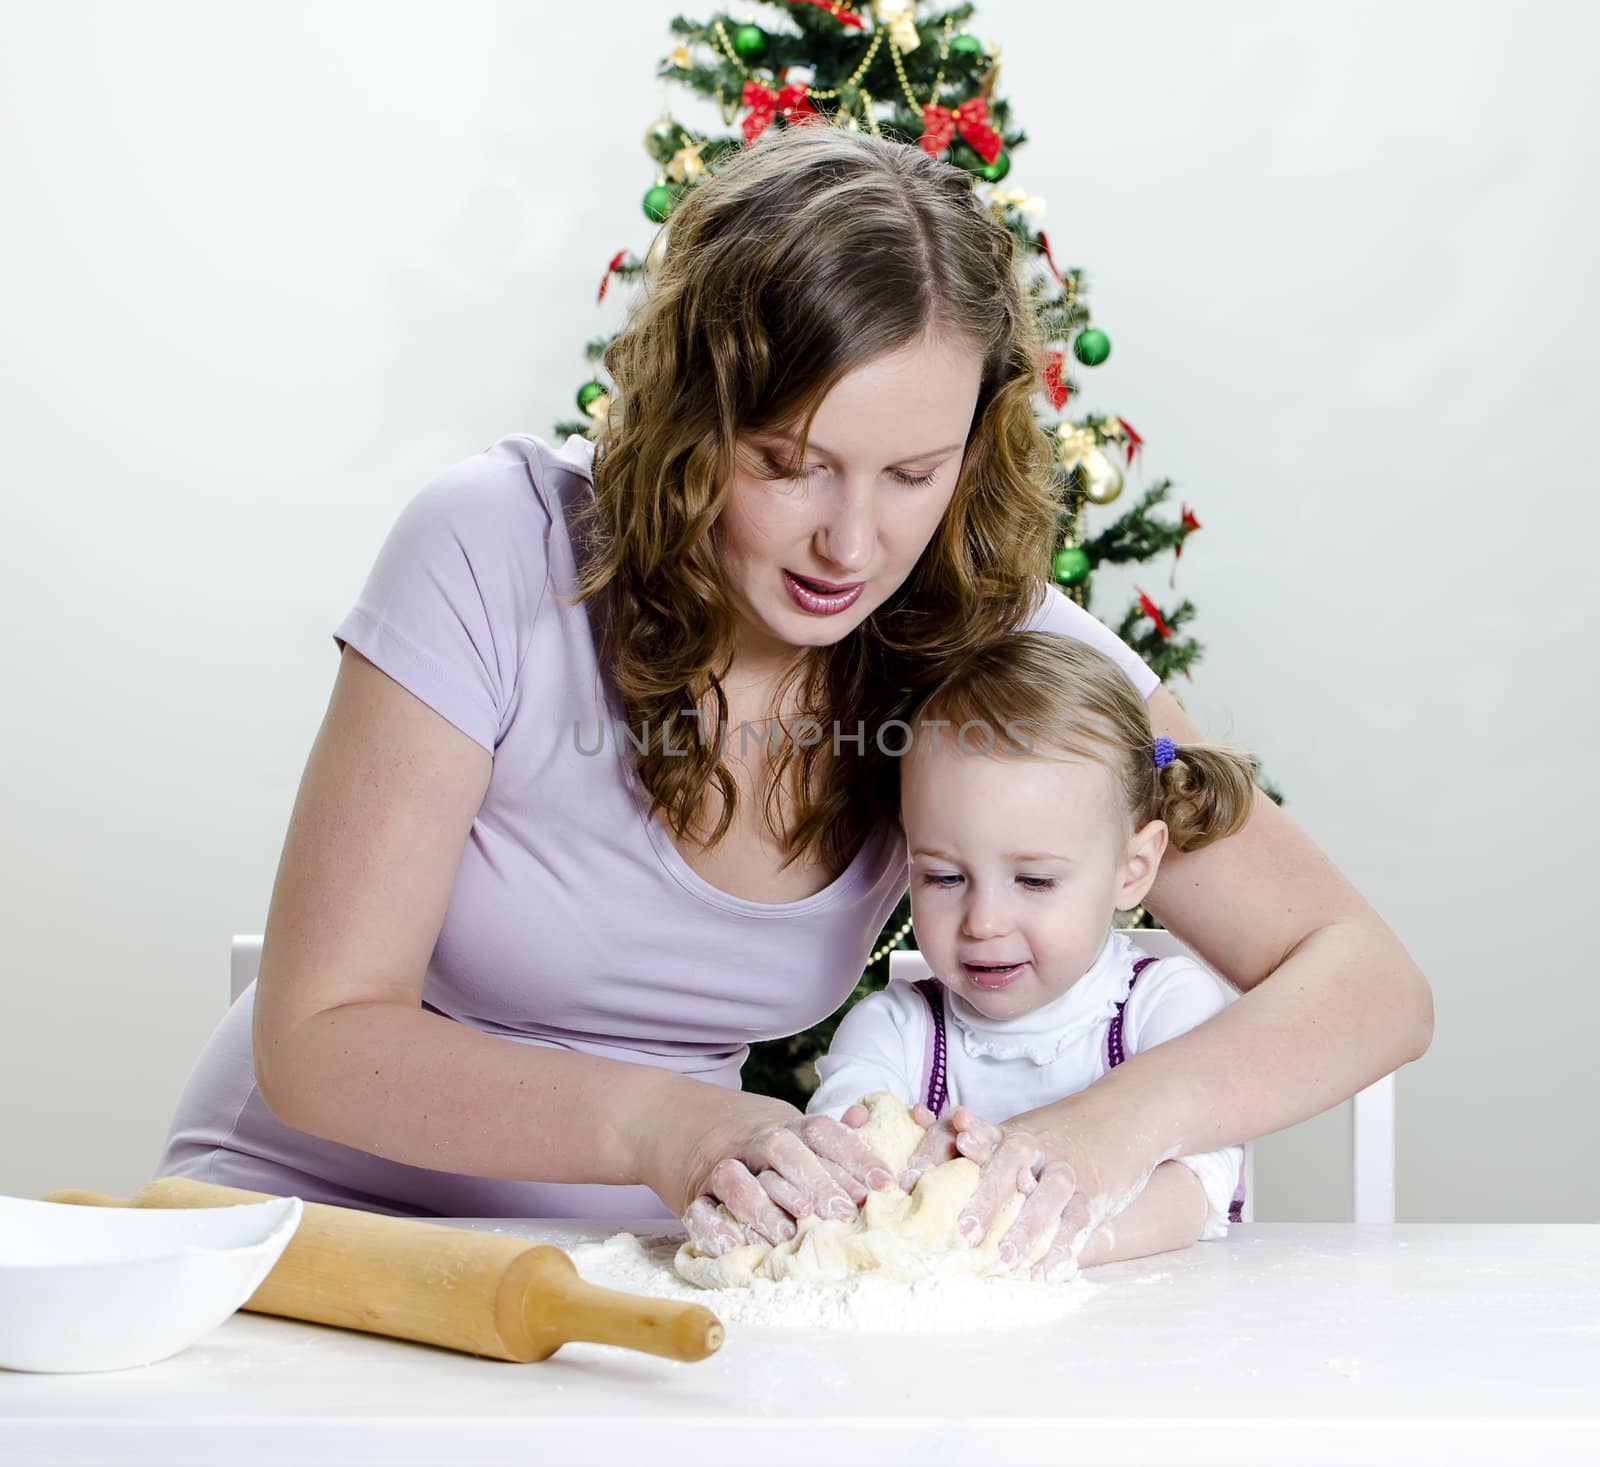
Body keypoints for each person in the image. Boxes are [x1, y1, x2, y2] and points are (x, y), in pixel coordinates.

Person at [156, 123, 1432, 1259]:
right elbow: (317, 1035)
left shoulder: (984, 647)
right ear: (687, 417)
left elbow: (1365, 981)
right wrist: (662, 1121)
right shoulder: (497, 547)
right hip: (295, 1237)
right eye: (790, 464)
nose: (851, 544)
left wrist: (1109, 1128)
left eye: (911, 473)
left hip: (615, 1282)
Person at [797, 632, 1254, 1281]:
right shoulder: (895, 1034)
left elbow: (1194, 1191)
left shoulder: (1166, 1009)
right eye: (943, 878)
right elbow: (845, 1162)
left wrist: (1036, 1244)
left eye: (1035, 881)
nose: (983, 922)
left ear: (1134, 867)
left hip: (1146, 1353)